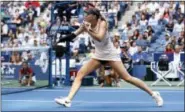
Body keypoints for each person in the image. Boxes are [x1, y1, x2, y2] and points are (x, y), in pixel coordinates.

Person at [54, 8, 163, 107]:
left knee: (127, 78)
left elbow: (100, 37)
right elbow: (73, 35)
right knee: (80, 74)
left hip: (110, 55)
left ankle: (154, 94)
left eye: (87, 14)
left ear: (94, 16)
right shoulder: (86, 24)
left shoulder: (102, 23)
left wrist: (88, 30)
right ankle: (68, 100)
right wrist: (60, 40)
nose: (85, 15)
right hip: (98, 55)